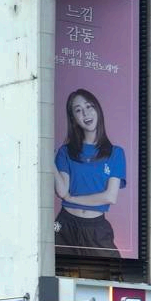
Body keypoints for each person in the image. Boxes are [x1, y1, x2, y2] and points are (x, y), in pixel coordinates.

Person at [53, 87, 128, 255]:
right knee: (54, 274)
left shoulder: (115, 153)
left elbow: (110, 196)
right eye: (78, 110)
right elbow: (62, 191)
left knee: (111, 275)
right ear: (73, 119)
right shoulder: (65, 152)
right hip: (64, 225)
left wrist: (72, 198)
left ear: (97, 110)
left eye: (89, 107)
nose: (85, 113)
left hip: (96, 229)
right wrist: (49, 162)